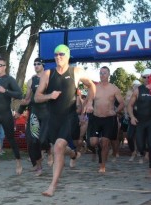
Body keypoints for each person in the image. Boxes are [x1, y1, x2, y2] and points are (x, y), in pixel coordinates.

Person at [34, 44, 96, 197]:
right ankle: (74, 153)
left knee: (58, 147)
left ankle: (52, 187)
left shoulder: (76, 71)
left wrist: (89, 102)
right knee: (59, 148)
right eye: (55, 55)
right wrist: (50, 96)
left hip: (69, 117)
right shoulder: (48, 74)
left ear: (68, 56)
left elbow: (92, 85)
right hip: (53, 118)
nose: (58, 57)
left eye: (61, 54)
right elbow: (37, 97)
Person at [16, 57, 50, 176]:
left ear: (43, 65)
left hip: (46, 113)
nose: (36, 66)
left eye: (38, 64)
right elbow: (27, 99)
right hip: (35, 113)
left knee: (43, 140)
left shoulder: (49, 78)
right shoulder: (31, 81)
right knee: (33, 140)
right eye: (34, 64)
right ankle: (38, 167)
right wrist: (19, 111)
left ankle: (49, 150)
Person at [88, 66, 124, 173]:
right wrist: (89, 105)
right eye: (100, 73)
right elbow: (89, 100)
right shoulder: (94, 88)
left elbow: (122, 103)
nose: (102, 75)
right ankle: (100, 149)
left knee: (105, 142)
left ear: (109, 75)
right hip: (96, 118)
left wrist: (116, 111)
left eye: (104, 73)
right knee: (93, 142)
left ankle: (102, 166)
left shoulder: (114, 88)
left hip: (109, 119)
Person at [127, 68, 151, 177]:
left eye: (149, 76)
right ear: (142, 78)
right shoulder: (138, 90)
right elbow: (130, 105)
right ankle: (143, 152)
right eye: (144, 77)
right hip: (140, 121)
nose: (147, 79)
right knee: (140, 145)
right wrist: (132, 116)